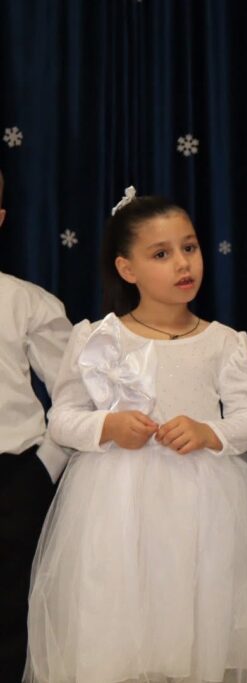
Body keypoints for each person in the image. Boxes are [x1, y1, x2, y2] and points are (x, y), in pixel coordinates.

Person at [25, 189, 247, 682]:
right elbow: (62, 418)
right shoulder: (98, 338)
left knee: (196, 627)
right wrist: (108, 425)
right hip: (116, 507)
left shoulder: (223, 341)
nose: (182, 263)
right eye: (161, 254)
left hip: (204, 507)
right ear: (126, 269)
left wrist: (208, 431)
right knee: (122, 629)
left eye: (189, 247)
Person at [0, 167, 72, 680]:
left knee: (11, 615)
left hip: (11, 480)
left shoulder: (27, 302)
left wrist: (43, 466)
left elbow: (76, 391)